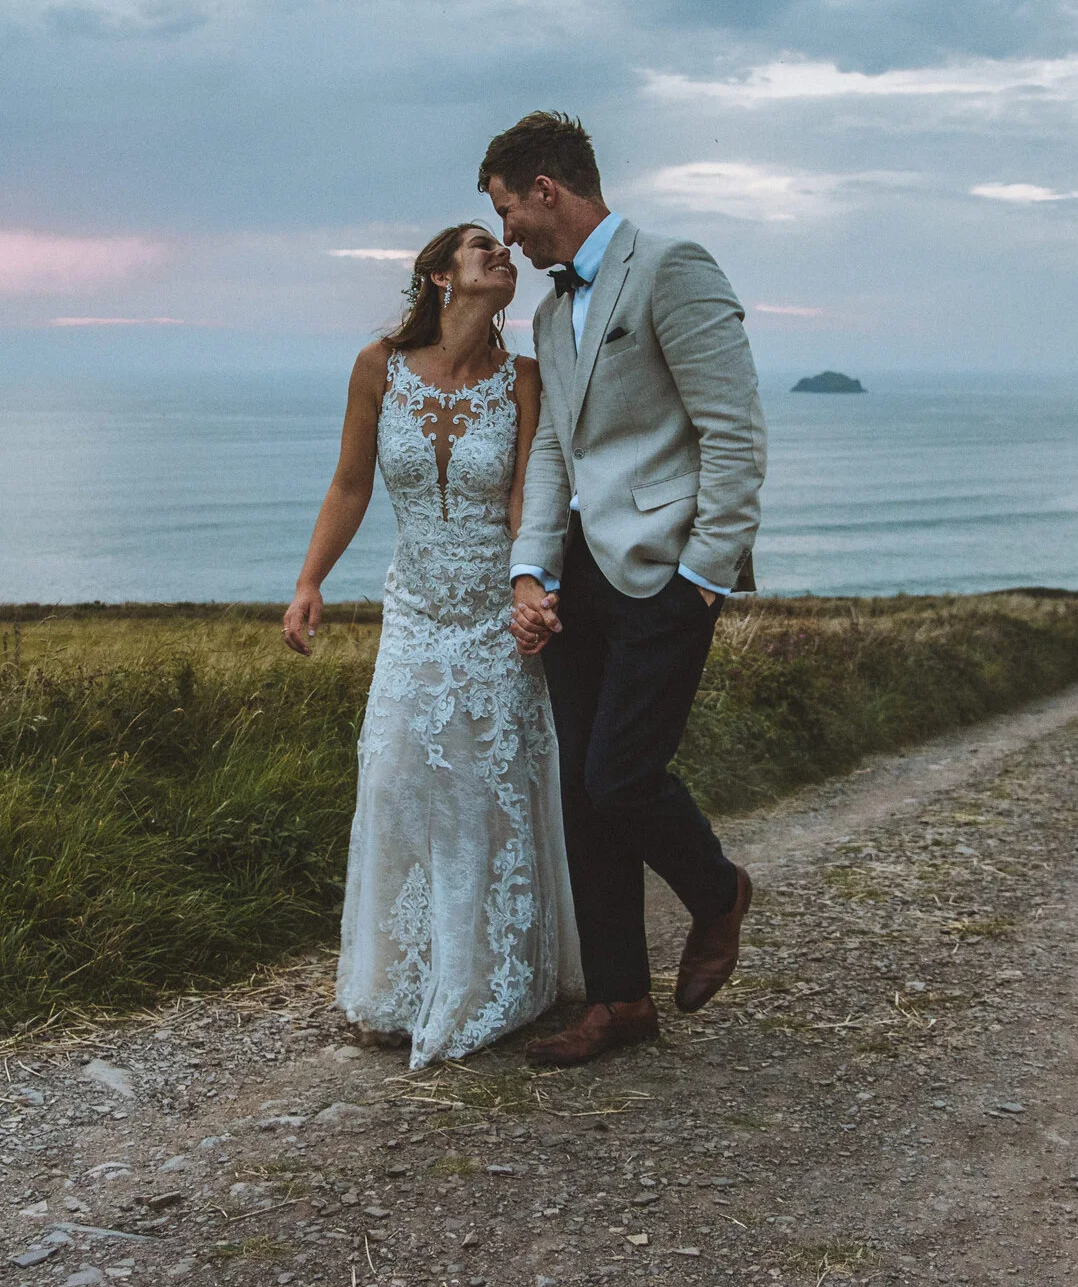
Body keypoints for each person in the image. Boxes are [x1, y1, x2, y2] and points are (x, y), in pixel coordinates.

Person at [482, 111, 768, 1067]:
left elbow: (734, 433)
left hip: (665, 572)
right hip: (576, 578)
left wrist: (702, 577)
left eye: (506, 208)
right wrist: (531, 567)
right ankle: (618, 1002)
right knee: (581, 793)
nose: (507, 231)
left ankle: (718, 890)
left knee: (621, 776)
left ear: (546, 191)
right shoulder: (552, 312)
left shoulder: (673, 267)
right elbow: (559, 449)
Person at [282, 222, 582, 1065]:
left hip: (495, 614)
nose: (504, 254)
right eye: (483, 245)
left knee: (491, 793)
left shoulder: (523, 381)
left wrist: (533, 587)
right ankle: (403, 977)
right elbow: (349, 483)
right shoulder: (378, 368)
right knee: (397, 777)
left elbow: (530, 499)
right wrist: (310, 582)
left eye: (508, 249)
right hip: (414, 609)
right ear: (441, 276)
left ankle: (491, 982)